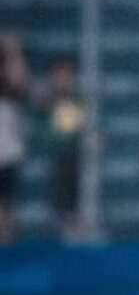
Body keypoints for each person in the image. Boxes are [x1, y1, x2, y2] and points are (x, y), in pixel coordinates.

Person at [41, 59, 85, 241]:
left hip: (77, 157)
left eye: (67, 75)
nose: (64, 79)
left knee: (76, 190)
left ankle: (77, 227)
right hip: (58, 156)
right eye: (60, 75)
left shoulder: (80, 101)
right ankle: (64, 228)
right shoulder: (46, 102)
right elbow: (42, 130)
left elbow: (89, 126)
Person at [0, 31, 28, 244]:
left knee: (7, 207)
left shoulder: (12, 91)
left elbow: (19, 78)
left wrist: (12, 49)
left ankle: (7, 243)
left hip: (8, 156)